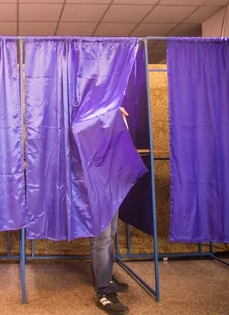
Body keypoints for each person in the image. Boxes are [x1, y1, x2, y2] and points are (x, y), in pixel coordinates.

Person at [90, 106, 130, 314]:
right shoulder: (88, 114)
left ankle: (103, 277)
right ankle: (104, 291)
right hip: (98, 181)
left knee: (110, 233)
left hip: (111, 179)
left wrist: (117, 117)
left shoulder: (110, 112)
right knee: (103, 237)